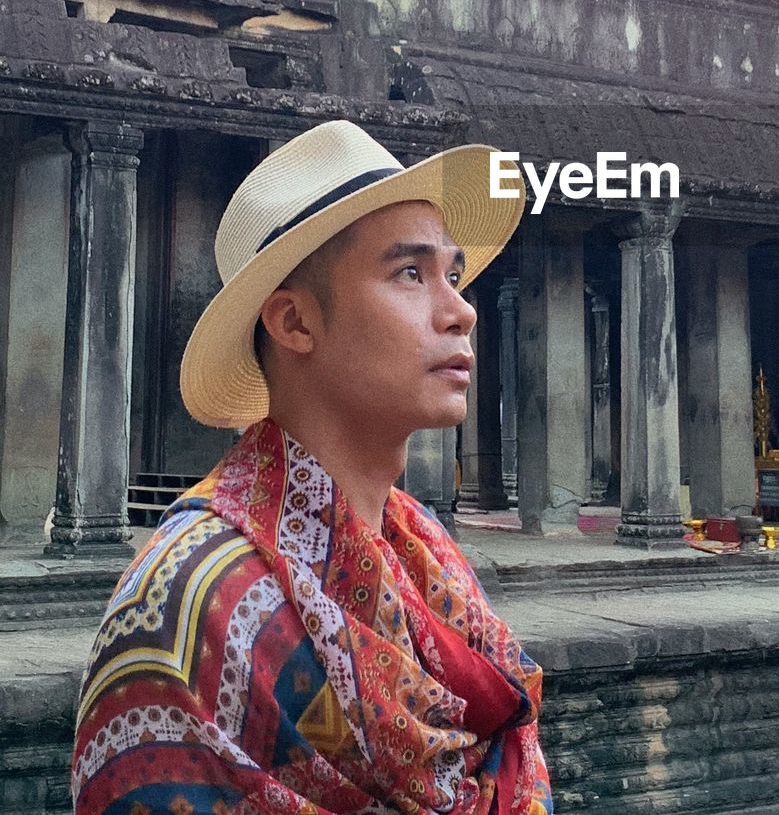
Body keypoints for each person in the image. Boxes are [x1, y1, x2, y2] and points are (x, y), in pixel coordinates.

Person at [72, 121, 551, 815]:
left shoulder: (426, 553)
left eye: (452, 274)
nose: (460, 311)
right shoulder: (187, 609)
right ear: (295, 322)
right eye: (410, 273)